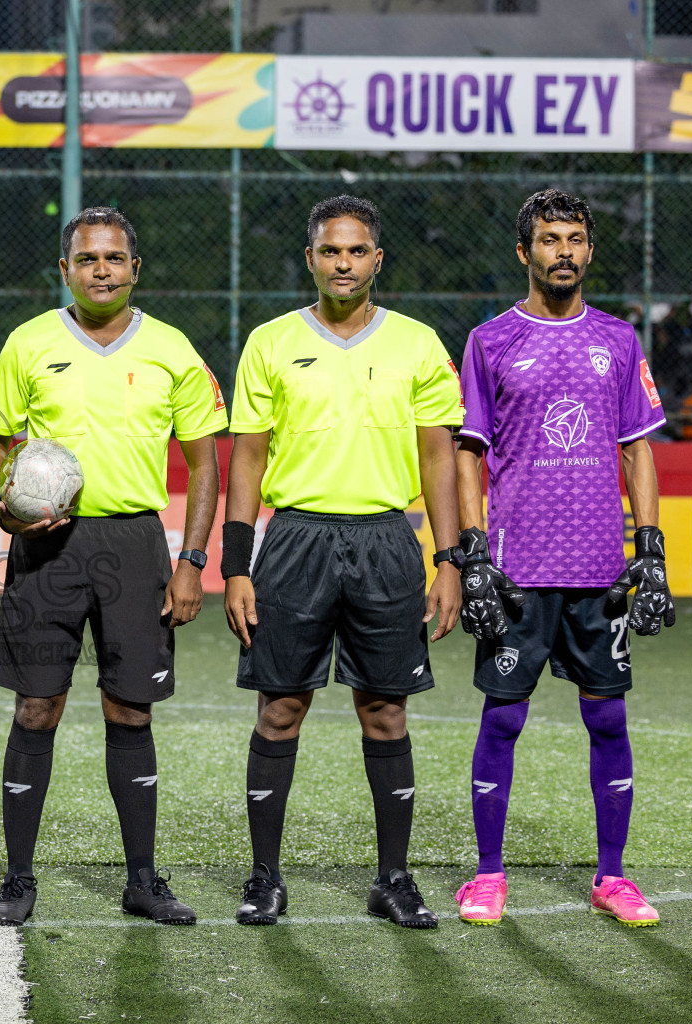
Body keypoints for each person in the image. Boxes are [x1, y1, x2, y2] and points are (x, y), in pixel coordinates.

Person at [0, 207, 226, 927]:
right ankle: (19, 879)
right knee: (36, 707)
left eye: (115, 258)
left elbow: (204, 462)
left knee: (131, 707)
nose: (102, 270)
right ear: (66, 270)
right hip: (48, 550)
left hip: (136, 544)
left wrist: (192, 563)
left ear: (135, 268)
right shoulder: (29, 343)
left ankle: (143, 880)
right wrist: (5, 509)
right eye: (87, 259)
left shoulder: (173, 350)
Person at [221, 195, 462, 928]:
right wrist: (236, 565)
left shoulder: (418, 344)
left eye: (357, 251)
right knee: (281, 707)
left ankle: (394, 879)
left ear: (377, 260)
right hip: (294, 540)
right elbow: (248, 460)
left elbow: (438, 460)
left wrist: (448, 560)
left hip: (388, 542)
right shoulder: (269, 341)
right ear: (311, 260)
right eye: (331, 251)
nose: (344, 264)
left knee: (385, 712)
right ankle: (265, 879)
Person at [453, 189, 671, 927]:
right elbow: (468, 455)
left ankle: (613, 877)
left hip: (599, 573)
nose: (565, 251)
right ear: (525, 252)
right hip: (518, 572)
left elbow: (636, 449)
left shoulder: (618, 339)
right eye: (550, 240)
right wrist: (473, 554)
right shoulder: (490, 341)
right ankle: (487, 874)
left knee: (608, 719)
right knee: (502, 721)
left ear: (588, 249)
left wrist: (652, 550)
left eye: (575, 238)